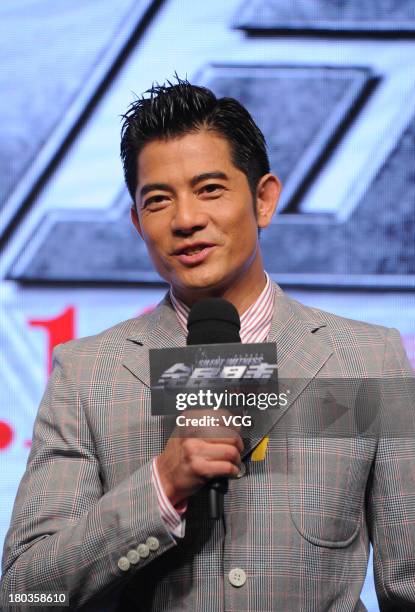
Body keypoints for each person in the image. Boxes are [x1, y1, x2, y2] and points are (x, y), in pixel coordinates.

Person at [1, 78, 414, 611]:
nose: (186, 220)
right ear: (137, 222)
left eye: (210, 189)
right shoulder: (88, 374)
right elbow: (27, 593)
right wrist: (160, 486)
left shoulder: (368, 359)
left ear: (263, 199)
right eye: (158, 200)